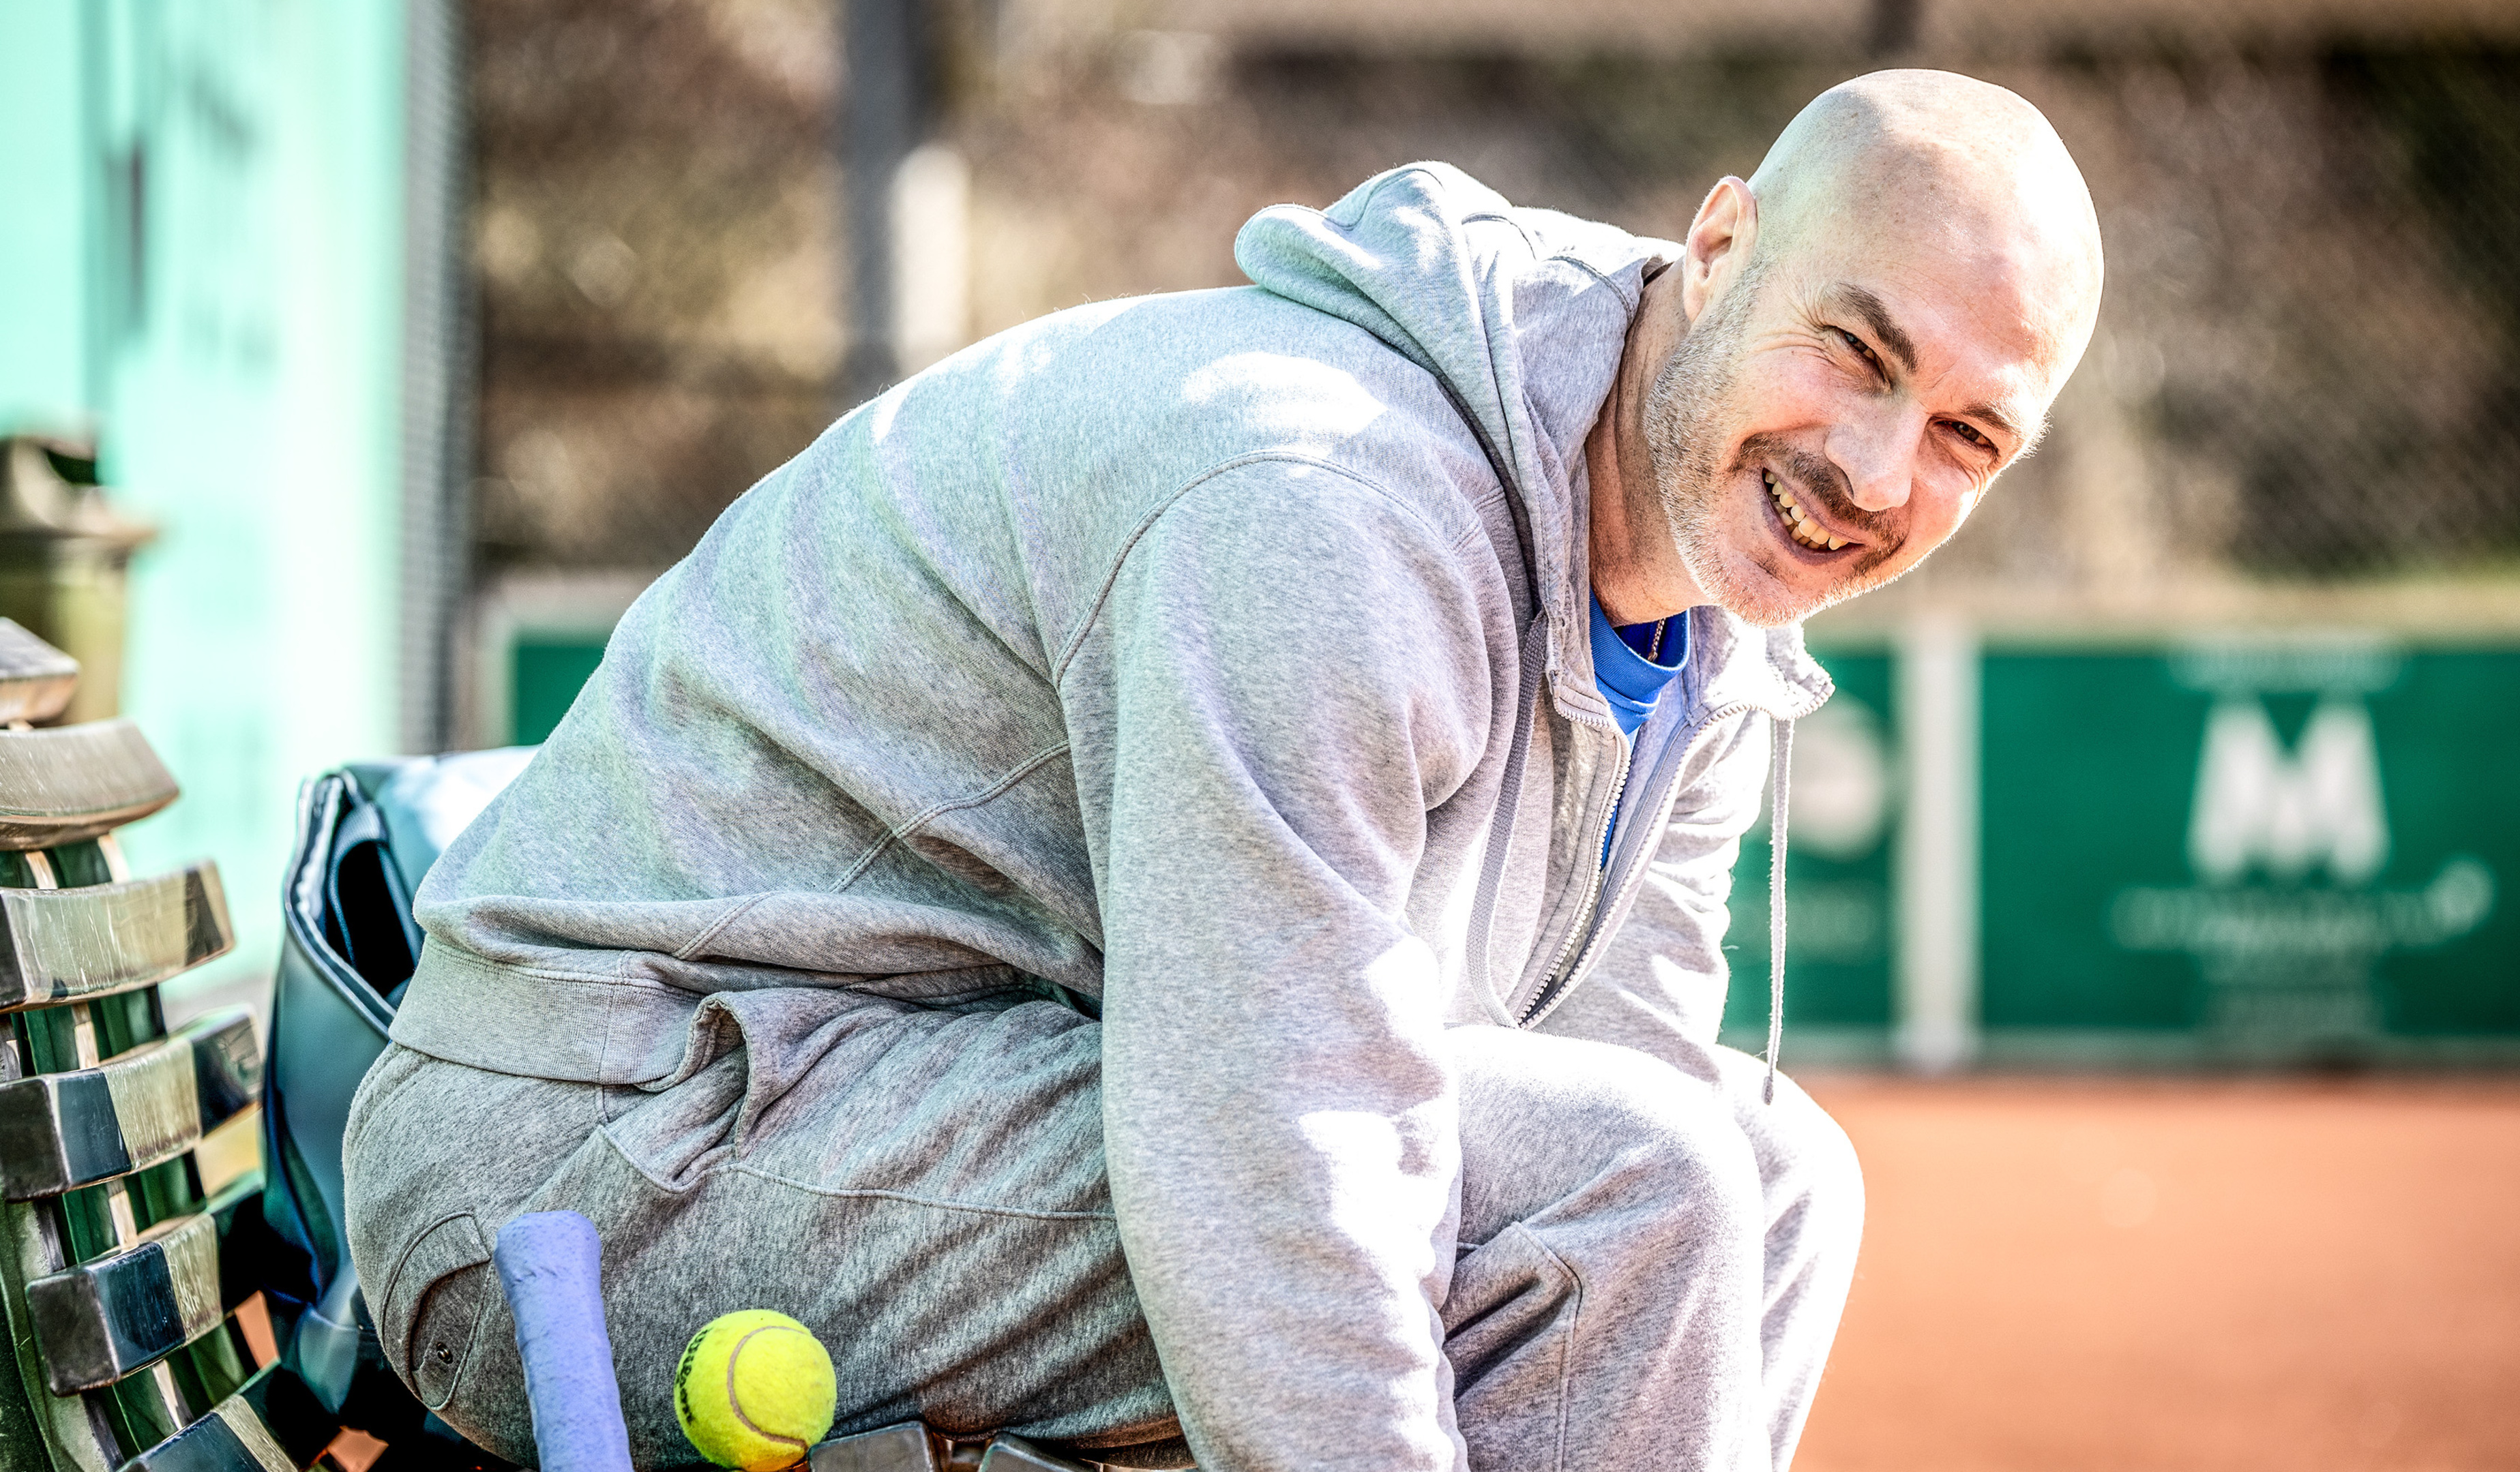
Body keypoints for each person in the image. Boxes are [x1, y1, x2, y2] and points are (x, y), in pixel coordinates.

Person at [345, 68, 2101, 1472]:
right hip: (597, 1163)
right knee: (1630, 1190)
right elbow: (1279, 1153)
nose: (1876, 471)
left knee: (1771, 1173)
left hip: (915, 1100)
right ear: (1717, 247)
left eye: (1965, 436)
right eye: (1855, 352)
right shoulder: (1321, 509)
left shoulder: (1703, 610)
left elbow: (1603, 1083)